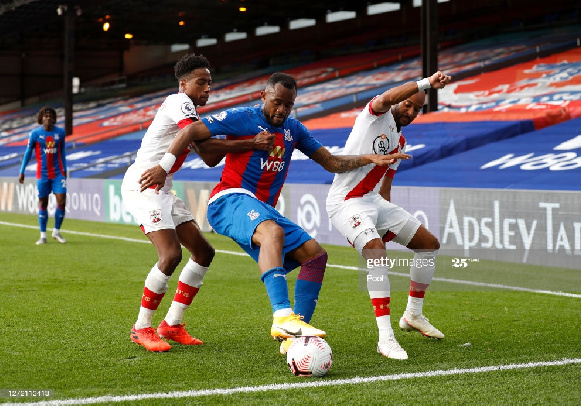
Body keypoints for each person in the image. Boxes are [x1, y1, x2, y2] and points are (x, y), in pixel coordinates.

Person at [138, 72, 409, 354]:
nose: (281, 110)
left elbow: (330, 162)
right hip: (228, 199)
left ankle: (296, 337)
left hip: (261, 209)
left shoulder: (294, 129)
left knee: (315, 256)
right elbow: (189, 132)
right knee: (272, 230)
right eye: (277, 102)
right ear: (263, 96)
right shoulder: (242, 117)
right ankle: (282, 316)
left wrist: (368, 158)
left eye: (288, 105)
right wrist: (164, 167)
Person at [121, 54, 274, 352]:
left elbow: (209, 155)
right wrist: (251, 142)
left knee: (204, 252)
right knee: (170, 255)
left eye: (209, 84)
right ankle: (141, 328)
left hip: (162, 187)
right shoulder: (180, 102)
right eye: (201, 82)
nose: (207, 89)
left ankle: (172, 324)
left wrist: (237, 138)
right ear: (184, 84)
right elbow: (205, 144)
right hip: (145, 184)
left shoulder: (191, 114)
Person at [325, 71, 452, 360]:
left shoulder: (399, 141)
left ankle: (413, 315)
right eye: (407, 104)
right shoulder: (374, 115)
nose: (410, 112)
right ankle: (386, 338)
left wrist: (382, 223)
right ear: (398, 101)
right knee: (376, 253)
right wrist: (426, 84)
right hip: (345, 202)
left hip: (373, 202)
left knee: (428, 244)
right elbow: (386, 97)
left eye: (417, 109)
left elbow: (385, 189)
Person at [18, 106, 67, 245]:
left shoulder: (60, 133)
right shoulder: (35, 134)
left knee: (62, 201)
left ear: (54, 119)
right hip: (42, 174)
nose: (48, 118)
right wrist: (22, 171)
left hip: (58, 173)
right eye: (45, 116)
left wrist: (65, 170)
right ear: (41, 119)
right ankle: (43, 235)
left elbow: (62, 152)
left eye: (51, 116)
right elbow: (28, 153)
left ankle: (56, 231)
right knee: (43, 202)